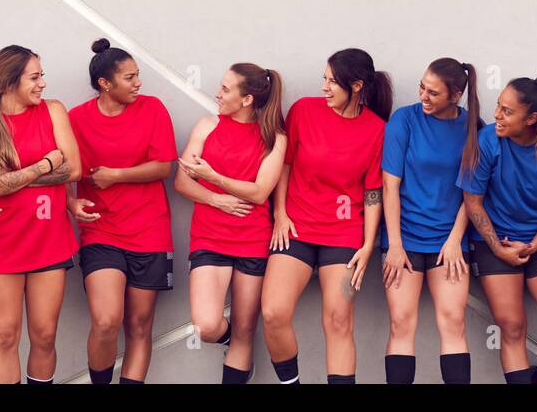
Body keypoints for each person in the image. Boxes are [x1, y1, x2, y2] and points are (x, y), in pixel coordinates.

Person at [261, 48, 391, 384]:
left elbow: (373, 192)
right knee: (274, 313)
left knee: (338, 320)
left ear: (357, 86)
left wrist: (368, 244)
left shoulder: (376, 129)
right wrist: (279, 212)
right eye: (324, 79)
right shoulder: (304, 110)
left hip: (345, 236)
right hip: (295, 229)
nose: (325, 87)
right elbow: (285, 164)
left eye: (333, 82)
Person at [458, 75, 537, 384]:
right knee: (512, 326)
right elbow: (473, 203)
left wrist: (533, 246)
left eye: (507, 111)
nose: (497, 116)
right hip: (493, 243)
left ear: (532, 118)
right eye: (498, 107)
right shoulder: (487, 141)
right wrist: (500, 248)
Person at [67, 39, 178, 383]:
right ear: (105, 83)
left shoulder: (153, 108)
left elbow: (163, 166)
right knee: (105, 321)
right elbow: (61, 170)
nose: (138, 83)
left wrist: (116, 175)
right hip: (101, 231)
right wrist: (70, 203)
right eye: (129, 78)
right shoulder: (75, 119)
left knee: (139, 325)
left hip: (150, 230)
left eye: (137, 75)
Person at [0, 45, 81, 383]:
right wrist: (46, 164)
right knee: (5, 336)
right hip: (3, 242)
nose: (42, 84)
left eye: (42, 75)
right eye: (34, 77)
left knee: (45, 335)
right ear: (8, 82)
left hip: (49, 240)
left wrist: (13, 179)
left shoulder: (54, 111)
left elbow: (74, 169)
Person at [175, 64, 286, 383]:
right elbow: (182, 182)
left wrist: (214, 178)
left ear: (248, 99)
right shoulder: (207, 127)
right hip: (210, 239)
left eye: (225, 90)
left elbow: (260, 191)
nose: (217, 94)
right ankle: (231, 341)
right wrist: (214, 198)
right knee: (207, 325)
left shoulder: (275, 138)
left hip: (253, 240)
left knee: (245, 331)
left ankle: (238, 348)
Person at [379, 57, 479, 384]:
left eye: (433, 93)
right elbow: (389, 186)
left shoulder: (472, 128)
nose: (423, 95)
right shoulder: (403, 120)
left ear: (455, 96)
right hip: (403, 240)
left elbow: (473, 193)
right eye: (422, 87)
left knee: (453, 322)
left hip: (449, 242)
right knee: (401, 323)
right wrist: (394, 245)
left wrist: (454, 241)